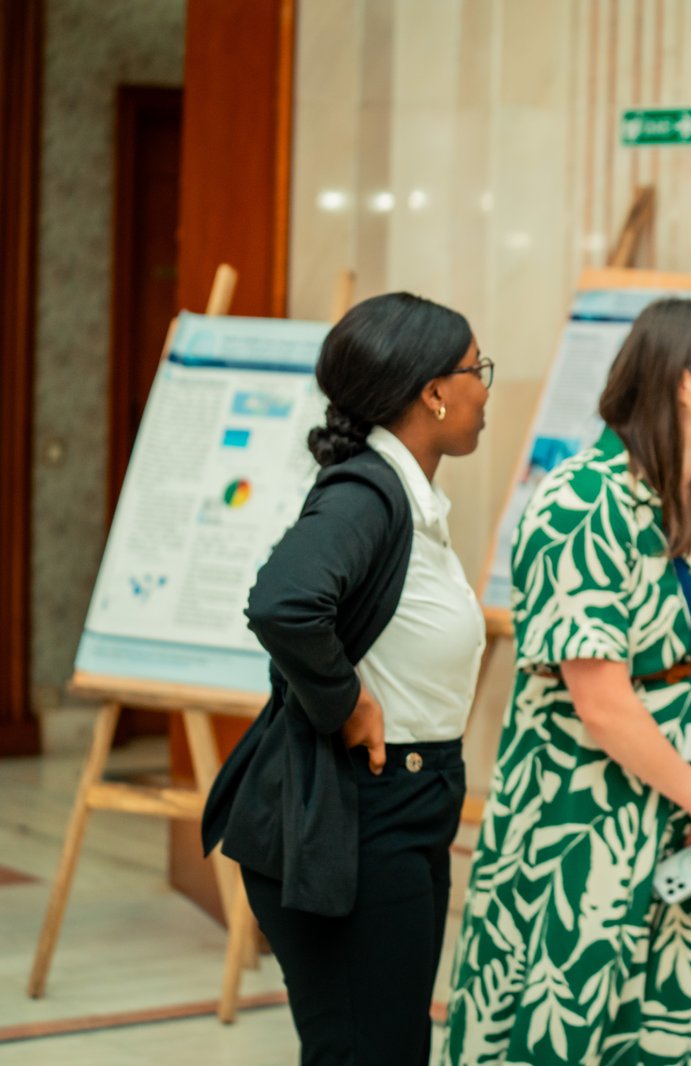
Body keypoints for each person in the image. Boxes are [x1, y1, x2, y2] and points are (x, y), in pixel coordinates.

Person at [444, 297, 691, 1066]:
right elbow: (602, 702)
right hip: (580, 814)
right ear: (685, 382)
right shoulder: (579, 502)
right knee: (556, 1023)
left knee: (665, 1026)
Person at [200, 292, 493, 1065]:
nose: (485, 391)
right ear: (434, 392)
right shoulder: (368, 493)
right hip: (363, 807)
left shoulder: (407, 496)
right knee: (370, 1050)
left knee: (386, 1045)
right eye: (478, 371)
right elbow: (284, 603)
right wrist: (347, 703)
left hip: (409, 798)